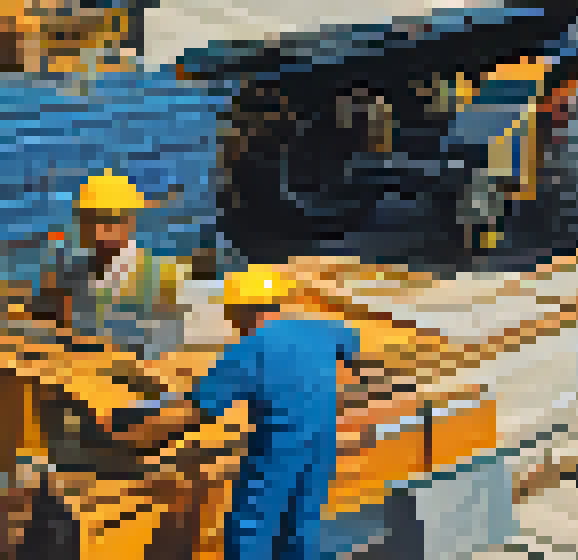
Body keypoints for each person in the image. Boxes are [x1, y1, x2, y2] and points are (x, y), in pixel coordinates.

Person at [185, 266, 360, 560]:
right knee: (302, 526)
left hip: (278, 450)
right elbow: (351, 342)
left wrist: (139, 428)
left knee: (251, 527)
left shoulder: (250, 349)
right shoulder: (317, 328)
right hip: (321, 445)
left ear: (237, 310)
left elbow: (201, 407)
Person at [35, 169, 192, 357]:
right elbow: (50, 324)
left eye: (110, 221)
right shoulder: (70, 274)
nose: (98, 230)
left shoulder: (163, 276)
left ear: (129, 222)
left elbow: (170, 351)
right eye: (89, 220)